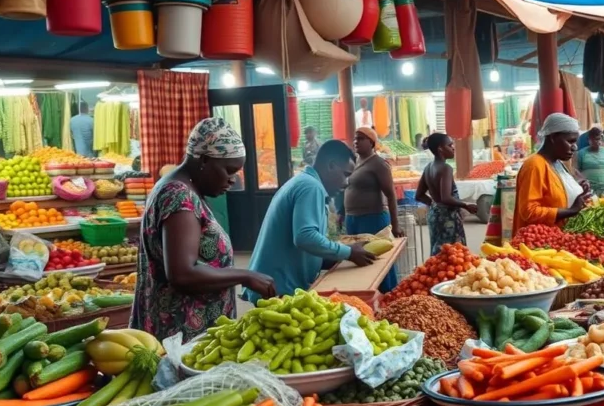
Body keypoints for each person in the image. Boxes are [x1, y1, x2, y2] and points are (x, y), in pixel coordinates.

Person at [130, 118, 274, 342]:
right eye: (228, 170)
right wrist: (246, 275)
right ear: (205, 159)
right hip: (183, 337)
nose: (232, 180)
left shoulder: (180, 189)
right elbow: (182, 274)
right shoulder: (180, 196)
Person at [247, 140, 376, 299]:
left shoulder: (306, 182)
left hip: (276, 286)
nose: (346, 183)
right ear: (331, 166)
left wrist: (342, 255)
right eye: (346, 175)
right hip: (277, 289)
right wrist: (349, 252)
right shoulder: (311, 187)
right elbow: (305, 237)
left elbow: (308, 244)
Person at [512, 113, 592, 235]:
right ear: (553, 137)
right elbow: (529, 211)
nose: (574, 147)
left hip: (558, 238)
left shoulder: (558, 163)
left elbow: (556, 191)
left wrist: (578, 187)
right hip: (538, 243)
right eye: (570, 141)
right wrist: (571, 210)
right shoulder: (534, 166)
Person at [344, 127, 403, 292]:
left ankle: (388, 295)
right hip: (353, 219)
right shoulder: (355, 161)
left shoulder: (378, 164)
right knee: (359, 260)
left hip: (373, 219)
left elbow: (391, 195)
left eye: (361, 139)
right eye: (355, 139)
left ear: (371, 142)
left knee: (379, 261)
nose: (356, 142)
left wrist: (395, 225)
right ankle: (367, 296)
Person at [416, 133, 477, 254]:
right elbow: (446, 197)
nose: (453, 147)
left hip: (434, 216)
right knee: (454, 255)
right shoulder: (446, 168)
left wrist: (435, 204)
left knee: (438, 253)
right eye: (450, 145)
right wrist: (465, 205)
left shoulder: (428, 168)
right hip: (448, 218)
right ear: (440, 148)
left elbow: (419, 195)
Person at [577, 126, 604, 197]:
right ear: (589, 140)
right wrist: (583, 185)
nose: (598, 142)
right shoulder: (581, 153)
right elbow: (576, 172)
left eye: (599, 139)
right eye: (595, 140)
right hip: (588, 191)